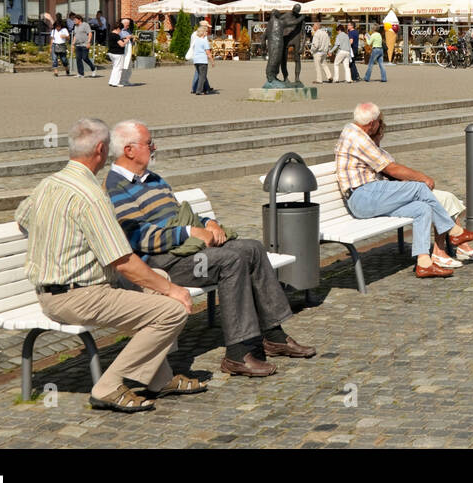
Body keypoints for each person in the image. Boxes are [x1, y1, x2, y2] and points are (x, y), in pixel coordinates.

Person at [16, 118, 202, 413]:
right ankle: (108, 386)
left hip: (55, 290)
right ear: (101, 150)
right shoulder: (92, 197)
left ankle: (160, 378)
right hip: (80, 295)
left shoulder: (49, 183)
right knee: (172, 309)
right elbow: (123, 262)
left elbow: (22, 218)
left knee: (159, 278)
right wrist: (174, 290)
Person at [106, 120, 316, 378]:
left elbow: (183, 216)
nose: (154, 147)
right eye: (149, 143)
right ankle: (238, 354)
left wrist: (209, 223)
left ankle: (273, 335)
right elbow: (137, 238)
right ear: (129, 150)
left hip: (185, 250)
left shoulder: (154, 179)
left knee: (252, 249)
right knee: (229, 261)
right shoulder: (116, 187)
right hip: (161, 261)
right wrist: (187, 233)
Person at [336, 103, 473, 278]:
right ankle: (454, 232)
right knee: (420, 187)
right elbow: (391, 168)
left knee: (422, 209)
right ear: (372, 123)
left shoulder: (355, 132)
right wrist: (423, 177)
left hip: (369, 196)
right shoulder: (358, 138)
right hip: (363, 195)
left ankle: (424, 264)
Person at [188, 23, 216, 94]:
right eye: (206, 31)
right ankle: (199, 90)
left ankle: (205, 88)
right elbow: (208, 52)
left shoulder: (196, 40)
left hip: (196, 60)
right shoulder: (204, 41)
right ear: (203, 33)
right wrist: (212, 61)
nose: (207, 32)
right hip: (202, 60)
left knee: (201, 75)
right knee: (202, 76)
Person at [72, 14, 99, 78]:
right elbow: (75, 35)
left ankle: (93, 68)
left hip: (85, 44)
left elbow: (90, 33)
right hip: (78, 44)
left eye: (75, 20)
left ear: (80, 19)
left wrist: (89, 42)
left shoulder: (85, 25)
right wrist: (73, 44)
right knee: (78, 59)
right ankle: (81, 73)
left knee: (85, 58)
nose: (74, 21)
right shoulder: (75, 26)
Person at [310, 20, 333, 84]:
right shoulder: (325, 33)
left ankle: (319, 79)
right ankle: (329, 76)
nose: (313, 27)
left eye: (313, 26)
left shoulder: (316, 34)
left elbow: (316, 45)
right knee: (324, 64)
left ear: (316, 27)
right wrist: (328, 50)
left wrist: (312, 50)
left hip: (318, 52)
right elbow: (329, 43)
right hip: (324, 52)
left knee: (317, 66)